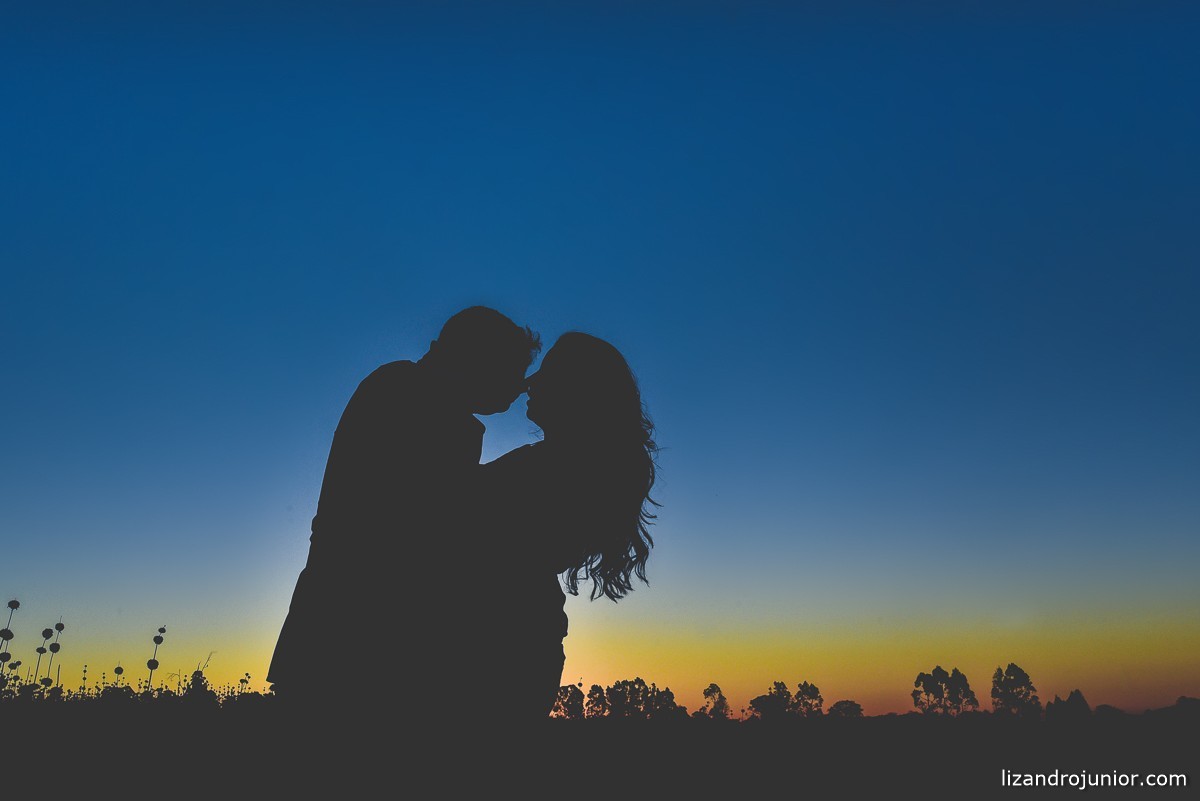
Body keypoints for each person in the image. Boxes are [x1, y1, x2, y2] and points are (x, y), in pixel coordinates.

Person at [267, 306, 540, 721]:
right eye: (513, 371)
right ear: (481, 362)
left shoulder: (408, 391)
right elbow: (442, 525)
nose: (520, 387)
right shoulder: (417, 399)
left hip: (339, 642)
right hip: (359, 652)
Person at [473, 331, 659, 722]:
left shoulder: (556, 473)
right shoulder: (574, 470)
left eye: (547, 373)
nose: (530, 382)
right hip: (520, 640)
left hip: (499, 648)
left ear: (579, 390)